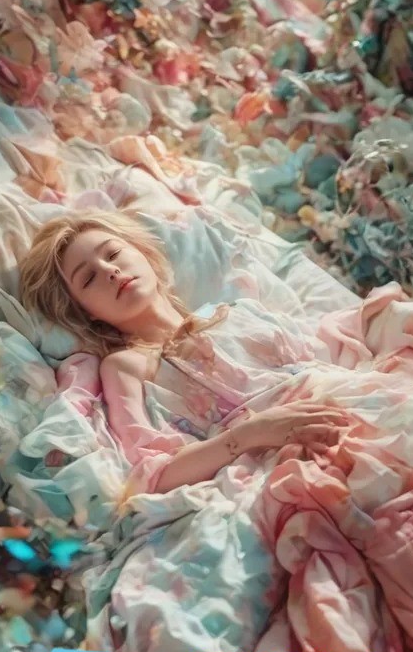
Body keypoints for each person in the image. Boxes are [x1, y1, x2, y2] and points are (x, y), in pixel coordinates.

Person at [19, 208, 351, 494]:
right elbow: (152, 475)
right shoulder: (126, 366)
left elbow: (324, 361)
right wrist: (252, 433)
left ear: (144, 255)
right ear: (85, 311)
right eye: (89, 278)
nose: (110, 271)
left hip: (344, 406)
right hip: (278, 465)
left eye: (113, 253)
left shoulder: (239, 311)